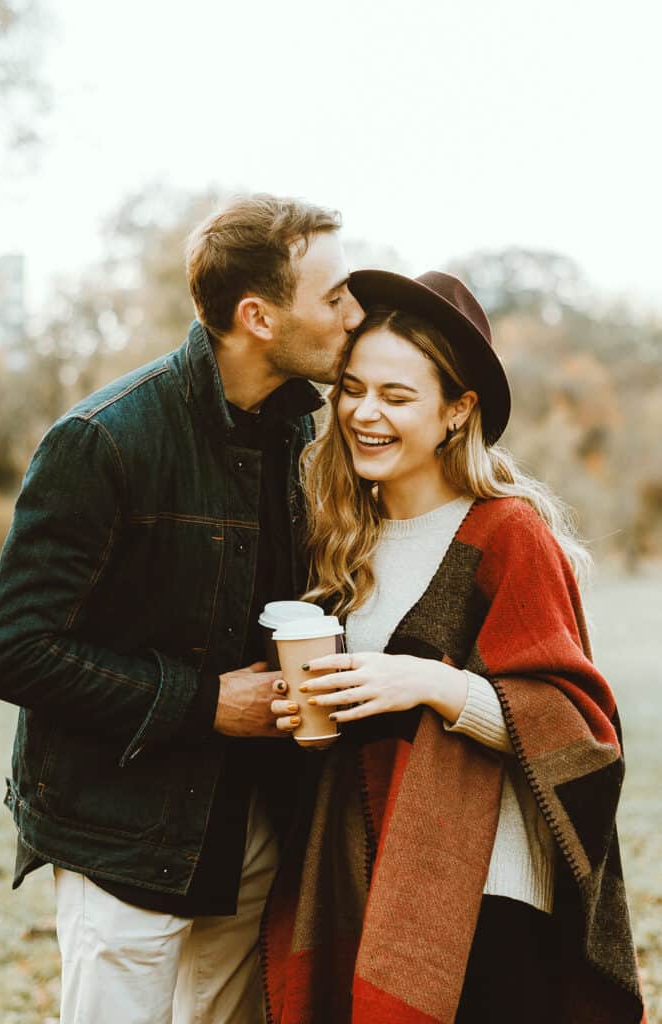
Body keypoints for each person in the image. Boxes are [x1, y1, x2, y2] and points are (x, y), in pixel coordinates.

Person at [0, 193, 364, 1024]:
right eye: (334, 296)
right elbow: (13, 649)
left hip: (255, 835)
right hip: (120, 840)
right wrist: (207, 703)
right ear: (259, 316)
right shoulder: (105, 439)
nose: (354, 314)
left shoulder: (302, 436)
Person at [266, 269, 645, 1023]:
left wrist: (432, 685)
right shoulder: (341, 542)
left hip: (488, 899)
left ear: (455, 411)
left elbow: (581, 731)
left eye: (397, 397)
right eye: (352, 388)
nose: (364, 414)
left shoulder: (508, 535)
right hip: (365, 879)